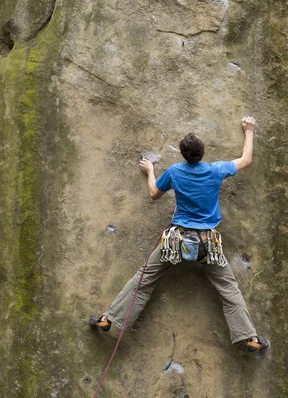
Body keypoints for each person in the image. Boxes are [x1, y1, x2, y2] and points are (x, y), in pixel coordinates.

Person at [90, 116, 269, 353]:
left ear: (184, 156)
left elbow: (154, 193)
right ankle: (249, 337)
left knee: (143, 280)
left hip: (176, 241)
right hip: (208, 243)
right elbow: (246, 160)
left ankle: (110, 319)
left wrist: (151, 170)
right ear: (202, 153)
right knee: (228, 288)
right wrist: (249, 131)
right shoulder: (215, 171)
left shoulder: (175, 172)